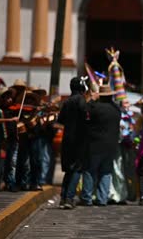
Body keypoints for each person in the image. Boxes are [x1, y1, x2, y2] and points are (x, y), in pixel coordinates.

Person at [81, 85, 121, 206]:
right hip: (111, 145)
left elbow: (84, 110)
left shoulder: (95, 107)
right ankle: (102, 199)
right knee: (106, 172)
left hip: (95, 144)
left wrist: (92, 99)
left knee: (89, 170)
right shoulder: (116, 110)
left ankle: (87, 198)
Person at [57, 77, 88, 209]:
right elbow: (86, 118)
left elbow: (60, 120)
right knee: (77, 169)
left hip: (67, 138)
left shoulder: (67, 101)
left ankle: (63, 198)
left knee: (69, 169)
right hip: (79, 140)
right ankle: (69, 198)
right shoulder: (81, 100)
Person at [0, 87, 19, 191]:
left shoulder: (12, 110)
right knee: (1, 163)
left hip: (12, 141)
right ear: (3, 99)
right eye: (8, 98)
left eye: (11, 98)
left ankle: (8, 183)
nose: (10, 100)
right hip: (3, 142)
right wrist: (10, 120)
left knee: (10, 164)